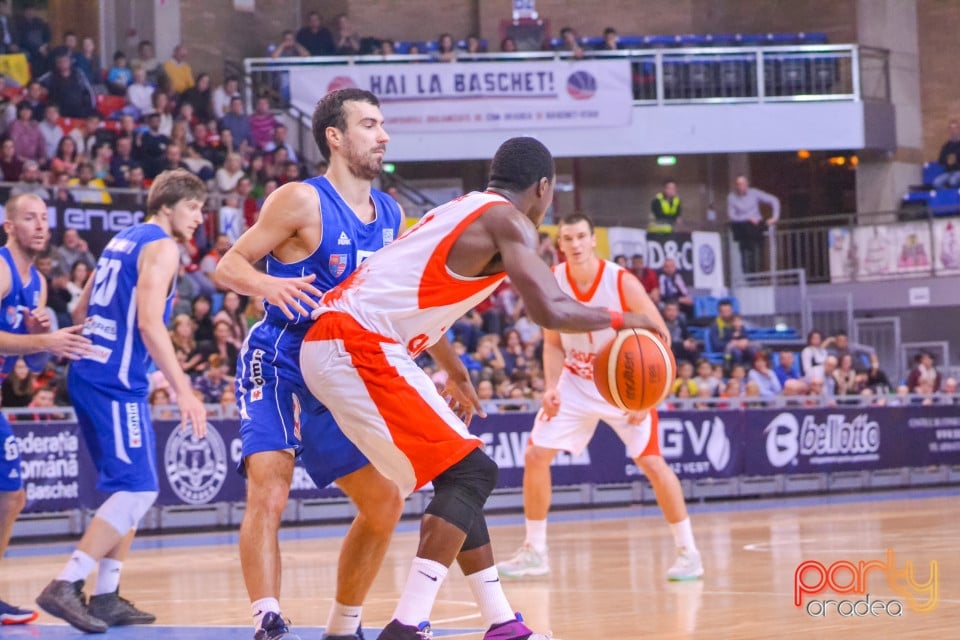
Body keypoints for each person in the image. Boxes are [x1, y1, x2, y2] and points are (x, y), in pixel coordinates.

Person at [299, 136, 667, 639]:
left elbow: (411, 293)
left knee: (460, 475)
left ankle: (500, 623)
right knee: (472, 474)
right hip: (353, 342)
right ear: (543, 188)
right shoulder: (507, 220)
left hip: (347, 340)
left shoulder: (462, 209)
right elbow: (549, 311)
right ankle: (407, 627)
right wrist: (633, 318)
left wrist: (456, 369)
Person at [215, 88, 406, 640]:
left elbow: (396, 299)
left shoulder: (390, 213)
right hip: (280, 358)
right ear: (336, 137)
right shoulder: (300, 200)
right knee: (270, 487)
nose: (383, 135)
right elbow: (228, 266)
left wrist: (444, 360)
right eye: (370, 124)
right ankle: (267, 619)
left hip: (341, 371)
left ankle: (343, 627)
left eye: (383, 124)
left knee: (385, 502)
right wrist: (268, 284)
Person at [35, 170, 208, 633]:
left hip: (91, 371)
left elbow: (78, 310)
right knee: (138, 489)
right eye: (193, 207)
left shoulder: (119, 240)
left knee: (127, 487)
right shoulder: (163, 246)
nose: (199, 217)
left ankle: (107, 595)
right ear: (168, 206)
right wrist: (184, 389)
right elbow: (152, 325)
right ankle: (66, 583)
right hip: (115, 381)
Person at [495, 212, 703, 583]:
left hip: (624, 384)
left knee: (653, 463)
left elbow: (660, 335)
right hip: (576, 379)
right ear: (558, 245)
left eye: (580, 238)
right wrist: (552, 388)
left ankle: (688, 552)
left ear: (593, 241)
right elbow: (552, 344)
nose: (574, 245)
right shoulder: (553, 281)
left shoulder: (621, 282)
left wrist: (647, 400)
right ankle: (535, 551)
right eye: (567, 239)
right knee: (535, 454)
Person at [0, 194, 94, 625]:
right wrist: (44, 340)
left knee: (11, 496)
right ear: (8, 226)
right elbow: (39, 348)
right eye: (29, 218)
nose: (39, 226)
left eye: (44, 219)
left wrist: (38, 341)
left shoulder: (36, 283)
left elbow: (32, 366)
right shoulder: (1, 270)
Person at [727, 175, 779, 274]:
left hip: (756, 226)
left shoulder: (754, 193)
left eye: (742, 184)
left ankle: (757, 273)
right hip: (742, 227)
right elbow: (732, 216)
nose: (740, 187)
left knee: (756, 253)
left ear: (747, 185)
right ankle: (746, 275)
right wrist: (747, 218)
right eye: (738, 184)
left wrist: (775, 217)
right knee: (745, 253)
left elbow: (774, 200)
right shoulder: (732, 197)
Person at [933, 120, 960, 188]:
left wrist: (956, 159)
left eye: (954, 128)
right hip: (949, 172)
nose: (953, 131)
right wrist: (946, 160)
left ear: (958, 129)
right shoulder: (946, 146)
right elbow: (940, 160)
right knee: (936, 183)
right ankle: (948, 195)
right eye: (951, 129)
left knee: (953, 181)